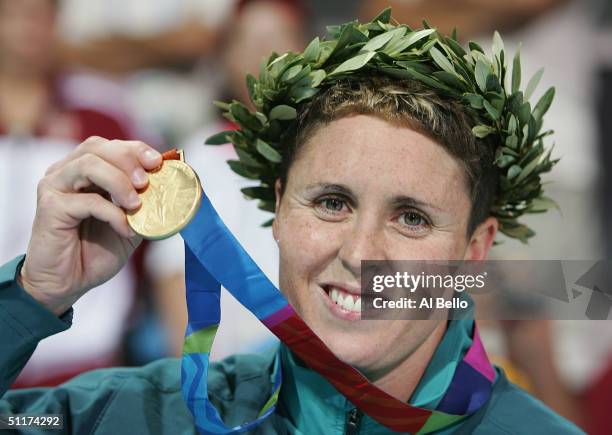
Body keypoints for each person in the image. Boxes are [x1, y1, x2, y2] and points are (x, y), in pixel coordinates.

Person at [0, 10, 584, 434]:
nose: (360, 253)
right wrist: (30, 299)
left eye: (411, 217)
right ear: (277, 209)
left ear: (475, 249)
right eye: (332, 202)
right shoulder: (147, 415)